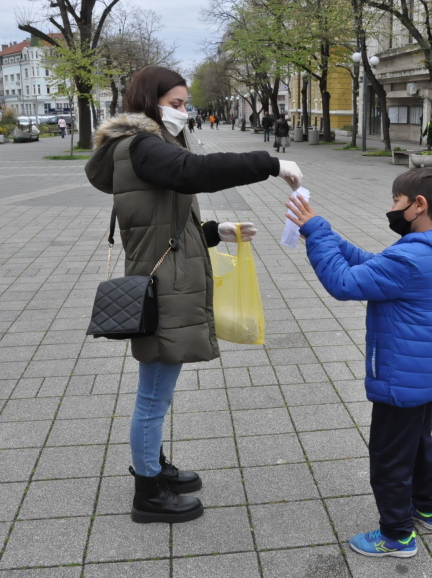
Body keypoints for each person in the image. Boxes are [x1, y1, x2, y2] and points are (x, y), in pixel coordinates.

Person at [85, 65, 304, 525]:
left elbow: (163, 222)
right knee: (153, 396)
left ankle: (153, 466)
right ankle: (148, 492)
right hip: (163, 289)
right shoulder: (143, 145)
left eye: (186, 104)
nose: (184, 113)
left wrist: (214, 231)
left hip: (168, 281)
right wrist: (271, 163)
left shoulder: (146, 148)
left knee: (158, 393)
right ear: (151, 102)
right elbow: (194, 172)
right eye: (177, 104)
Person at [285, 168, 432, 558]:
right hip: (424, 370)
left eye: (396, 201)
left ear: (418, 205)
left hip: (400, 374)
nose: (391, 208)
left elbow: (344, 283)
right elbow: (373, 265)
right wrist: (325, 233)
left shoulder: (409, 258)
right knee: (419, 441)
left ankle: (397, 536)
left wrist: (318, 233)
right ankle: (428, 509)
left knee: (389, 455)